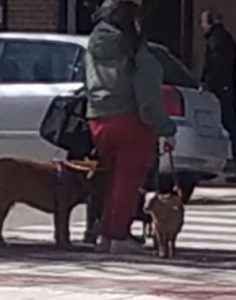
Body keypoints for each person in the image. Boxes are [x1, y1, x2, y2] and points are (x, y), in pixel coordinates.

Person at [85, 0, 176, 254]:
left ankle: (104, 233)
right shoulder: (137, 51)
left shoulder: (94, 46)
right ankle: (118, 235)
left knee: (109, 178)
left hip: (98, 117)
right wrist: (166, 128)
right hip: (131, 120)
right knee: (127, 181)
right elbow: (148, 98)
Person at [201, 9, 236, 182]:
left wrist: (210, 85)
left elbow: (216, 67)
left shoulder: (218, 41)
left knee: (229, 124)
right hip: (226, 87)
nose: (202, 27)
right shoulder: (222, 38)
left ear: (211, 22)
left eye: (203, 22)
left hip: (221, 88)